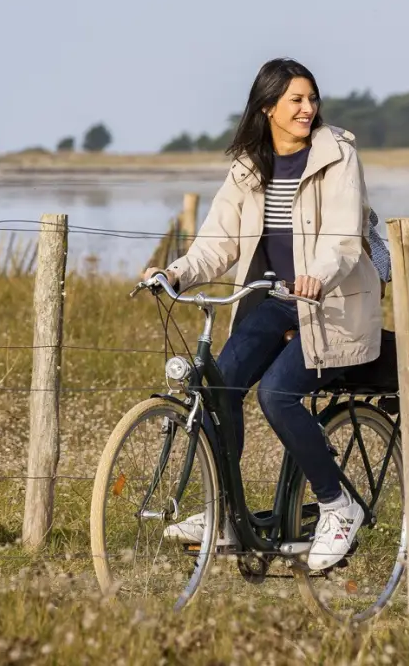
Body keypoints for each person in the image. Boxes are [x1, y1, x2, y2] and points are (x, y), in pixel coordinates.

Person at [144, 58, 385, 569]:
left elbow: (344, 239)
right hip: (276, 302)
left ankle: (338, 506)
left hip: (333, 306)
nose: (307, 109)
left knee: (278, 394)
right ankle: (226, 512)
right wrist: (176, 273)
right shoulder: (249, 168)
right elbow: (218, 243)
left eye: (311, 98)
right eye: (295, 100)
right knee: (220, 383)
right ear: (267, 107)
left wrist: (317, 274)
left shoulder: (337, 156)